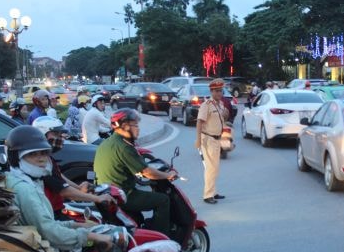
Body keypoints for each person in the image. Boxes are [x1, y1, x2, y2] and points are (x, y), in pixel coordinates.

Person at [94, 108, 178, 236]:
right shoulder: (124, 147)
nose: (138, 129)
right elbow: (147, 172)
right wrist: (168, 175)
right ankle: (161, 238)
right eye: (135, 125)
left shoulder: (108, 142)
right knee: (163, 200)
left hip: (106, 192)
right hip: (123, 195)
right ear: (124, 126)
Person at [32, 116, 115, 219]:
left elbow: (59, 177)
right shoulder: (40, 163)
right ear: (42, 135)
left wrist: (79, 188)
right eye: (56, 134)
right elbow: (65, 191)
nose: (60, 138)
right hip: (51, 215)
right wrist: (97, 199)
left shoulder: (47, 158)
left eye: (60, 134)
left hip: (55, 209)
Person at [195, 78, 228, 204]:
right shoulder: (206, 105)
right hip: (208, 138)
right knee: (210, 168)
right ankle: (207, 195)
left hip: (216, 139)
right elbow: (199, 122)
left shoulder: (220, 104)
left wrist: (225, 114)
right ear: (212, 91)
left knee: (215, 168)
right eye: (217, 91)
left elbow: (222, 119)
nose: (220, 93)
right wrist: (198, 140)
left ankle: (213, 192)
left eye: (221, 91)